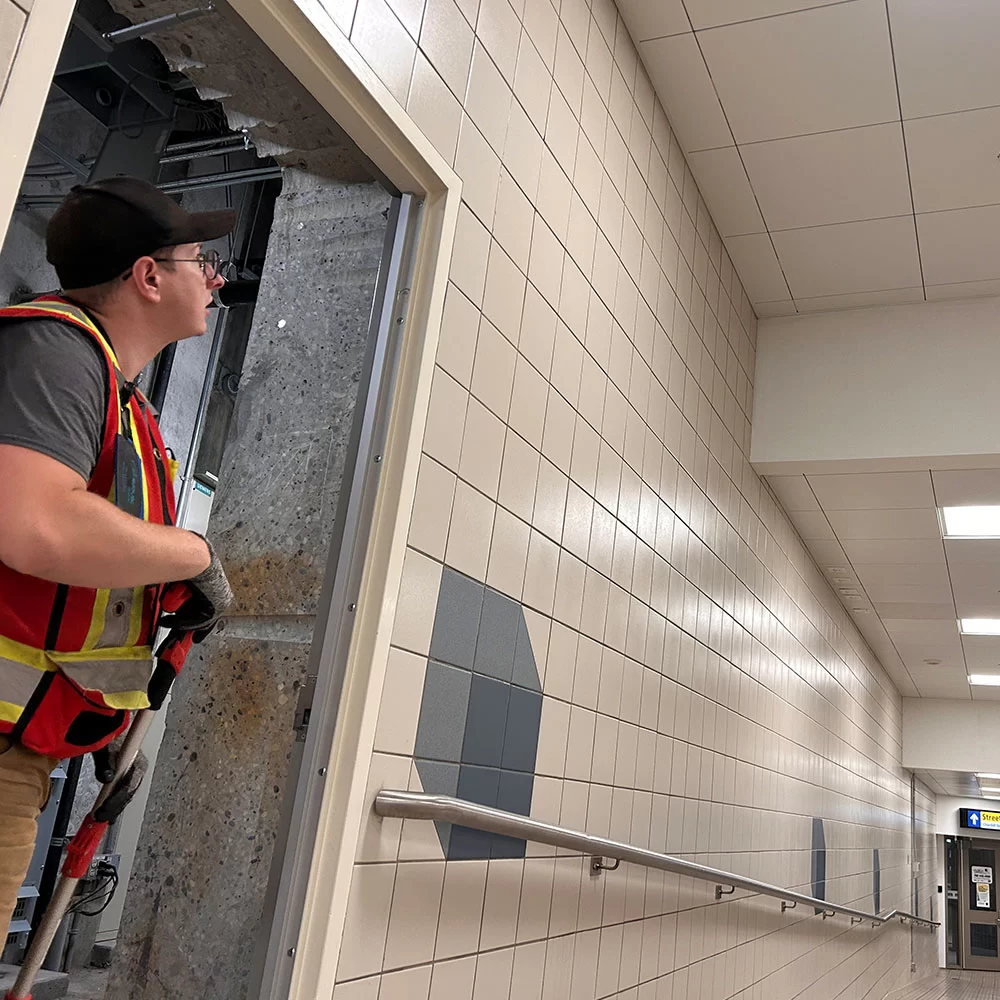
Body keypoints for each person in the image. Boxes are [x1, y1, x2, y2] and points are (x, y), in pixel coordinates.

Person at [0, 177, 237, 936]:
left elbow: (85, 582)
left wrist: (102, 717)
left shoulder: (117, 395)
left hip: (24, 747)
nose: (216, 277)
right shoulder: (55, 352)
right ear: (147, 275)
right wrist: (190, 553)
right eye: (200, 258)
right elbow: (36, 527)